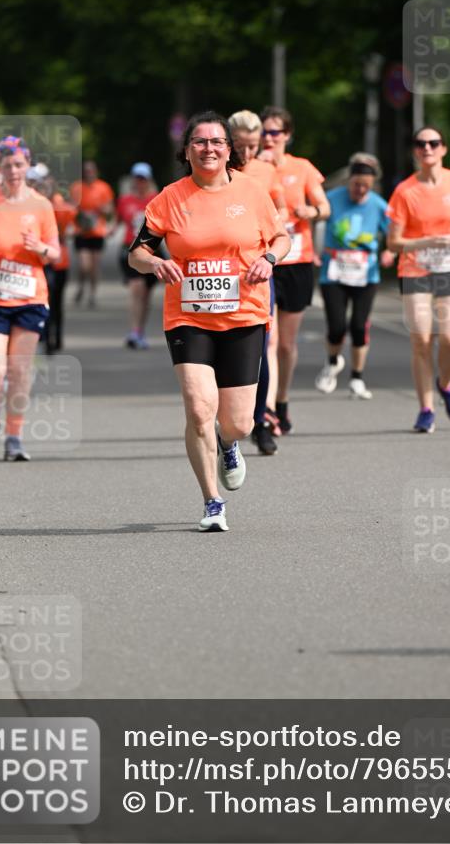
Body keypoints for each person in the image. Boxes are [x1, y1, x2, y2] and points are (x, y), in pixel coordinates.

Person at [128, 111, 290, 531]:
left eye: (217, 142)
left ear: (229, 149)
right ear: (186, 151)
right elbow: (137, 252)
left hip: (243, 314)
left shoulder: (252, 193)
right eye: (200, 142)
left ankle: (228, 442)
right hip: (188, 316)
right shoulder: (169, 198)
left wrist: (270, 259)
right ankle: (212, 501)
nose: (209, 149)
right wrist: (156, 264)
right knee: (200, 408)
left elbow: (282, 237)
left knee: (239, 421)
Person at [0, 136, 60, 460]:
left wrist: (40, 248)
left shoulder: (42, 205)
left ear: (28, 165)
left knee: (18, 371)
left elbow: (55, 253)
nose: (14, 170)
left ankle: (14, 436)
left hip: (30, 299)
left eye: (19, 164)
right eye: (7, 165)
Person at [386, 126, 450, 433]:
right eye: (421, 144)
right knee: (422, 340)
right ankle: (426, 408)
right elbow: (393, 243)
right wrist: (424, 243)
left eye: (433, 143)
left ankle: (446, 384)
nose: (427, 148)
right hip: (415, 269)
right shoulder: (405, 191)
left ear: (443, 148)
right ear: (415, 150)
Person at [259, 105, 330, 433]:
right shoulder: (253, 169)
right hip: (265, 263)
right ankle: (269, 407)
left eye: (275, 132)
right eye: (264, 131)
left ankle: (283, 399)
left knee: (287, 344)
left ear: (287, 135)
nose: (268, 137)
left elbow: (324, 207)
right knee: (269, 342)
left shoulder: (301, 168)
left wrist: (309, 211)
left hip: (298, 261)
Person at [228, 110, 287, 455]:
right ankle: (227, 421)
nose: (247, 154)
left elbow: (280, 217)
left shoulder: (266, 171)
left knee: (262, 346)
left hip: (257, 271)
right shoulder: (215, 169)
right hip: (219, 273)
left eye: (253, 146)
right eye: (240, 145)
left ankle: (261, 420)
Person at [315, 153, 393, 399]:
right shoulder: (332, 199)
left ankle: (357, 378)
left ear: (373, 185)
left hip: (365, 273)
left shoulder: (380, 205)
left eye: (365, 187)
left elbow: (393, 235)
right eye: (356, 185)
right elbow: (311, 222)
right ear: (349, 181)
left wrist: (390, 252)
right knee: (337, 326)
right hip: (334, 271)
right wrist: (313, 250)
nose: (360, 190)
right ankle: (332, 362)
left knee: (359, 326)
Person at [27, 163, 75, 354]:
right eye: (34, 182)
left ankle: (57, 336)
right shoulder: (29, 203)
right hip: (38, 260)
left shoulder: (58, 203)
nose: (39, 186)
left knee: (57, 301)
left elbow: (70, 227)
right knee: (42, 299)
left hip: (59, 259)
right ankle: (45, 337)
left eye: (42, 182)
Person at [116, 162, 159, 349]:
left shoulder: (156, 199)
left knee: (146, 295)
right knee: (137, 288)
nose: (140, 182)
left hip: (152, 251)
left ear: (149, 180)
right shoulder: (125, 200)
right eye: (137, 178)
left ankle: (140, 330)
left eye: (143, 179)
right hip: (130, 249)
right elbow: (118, 220)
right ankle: (134, 331)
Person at [69, 160, 114, 308]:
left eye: (91, 171)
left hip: (97, 232)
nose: (89, 173)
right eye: (86, 171)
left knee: (94, 266)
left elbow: (110, 209)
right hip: (81, 231)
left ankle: (93, 293)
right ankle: (81, 286)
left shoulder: (103, 187)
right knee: (84, 265)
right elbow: (70, 207)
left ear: (96, 172)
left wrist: (105, 213)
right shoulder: (76, 187)